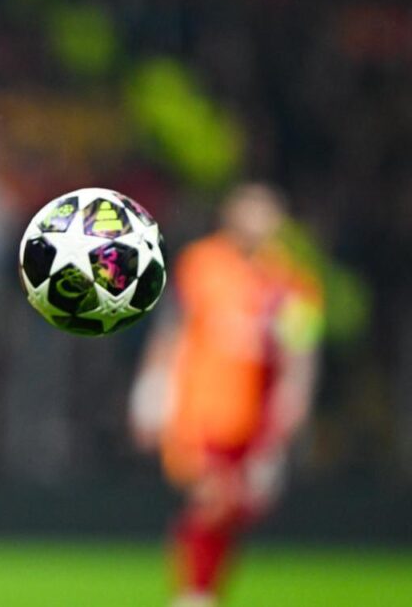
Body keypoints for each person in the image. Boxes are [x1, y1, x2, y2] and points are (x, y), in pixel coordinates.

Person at [129, 184, 324, 607]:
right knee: (209, 498)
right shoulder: (200, 264)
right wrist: (150, 392)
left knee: (238, 507)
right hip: (202, 408)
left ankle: (206, 591)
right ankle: (194, 594)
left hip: (257, 419)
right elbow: (171, 330)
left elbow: (301, 349)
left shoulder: (293, 282)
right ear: (230, 214)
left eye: (267, 211)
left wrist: (296, 399)